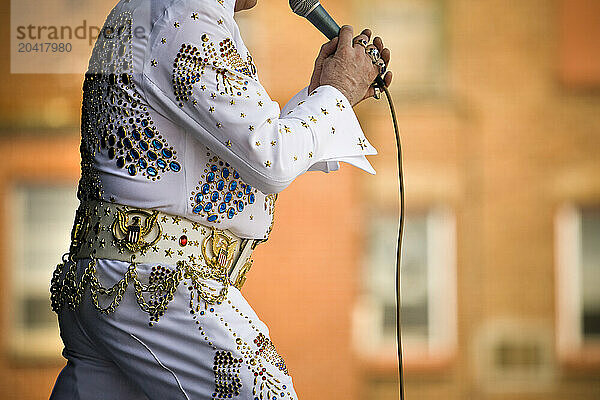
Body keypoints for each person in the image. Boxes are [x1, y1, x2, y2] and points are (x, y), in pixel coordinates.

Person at [49, 0, 392, 398]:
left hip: (112, 285)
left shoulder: (153, 10)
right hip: (158, 287)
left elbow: (234, 157)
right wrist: (336, 92)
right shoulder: (189, 15)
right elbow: (269, 159)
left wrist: (325, 95)